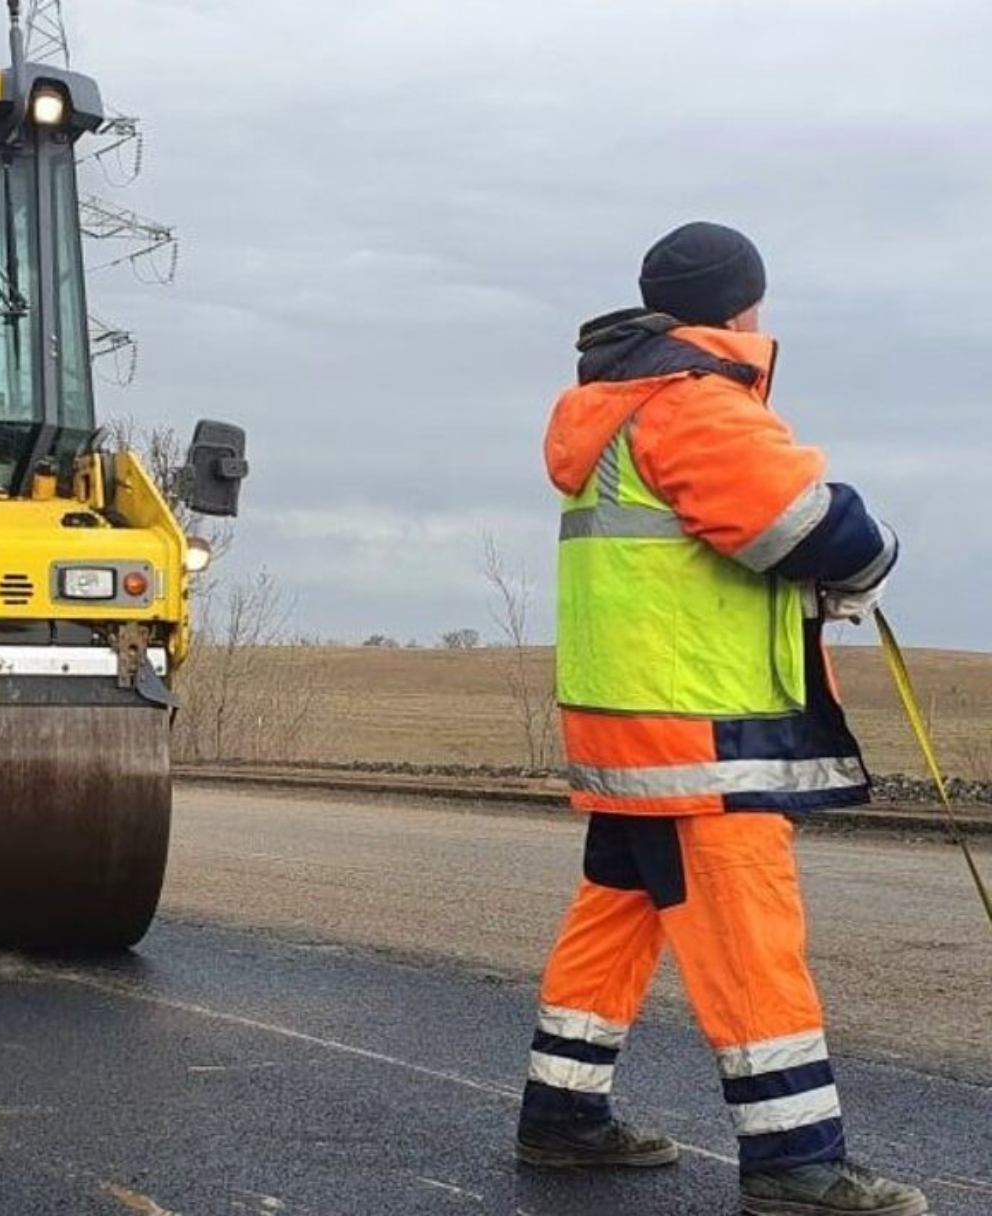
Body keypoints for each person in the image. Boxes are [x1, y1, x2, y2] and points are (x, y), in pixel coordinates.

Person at [516, 222, 925, 1216]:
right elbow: (813, 527)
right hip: (700, 735)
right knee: (753, 943)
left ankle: (563, 1117)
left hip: (633, 732)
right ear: (741, 306)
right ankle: (796, 1167)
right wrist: (872, 542)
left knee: (617, 918)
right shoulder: (694, 404)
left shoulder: (611, 406)